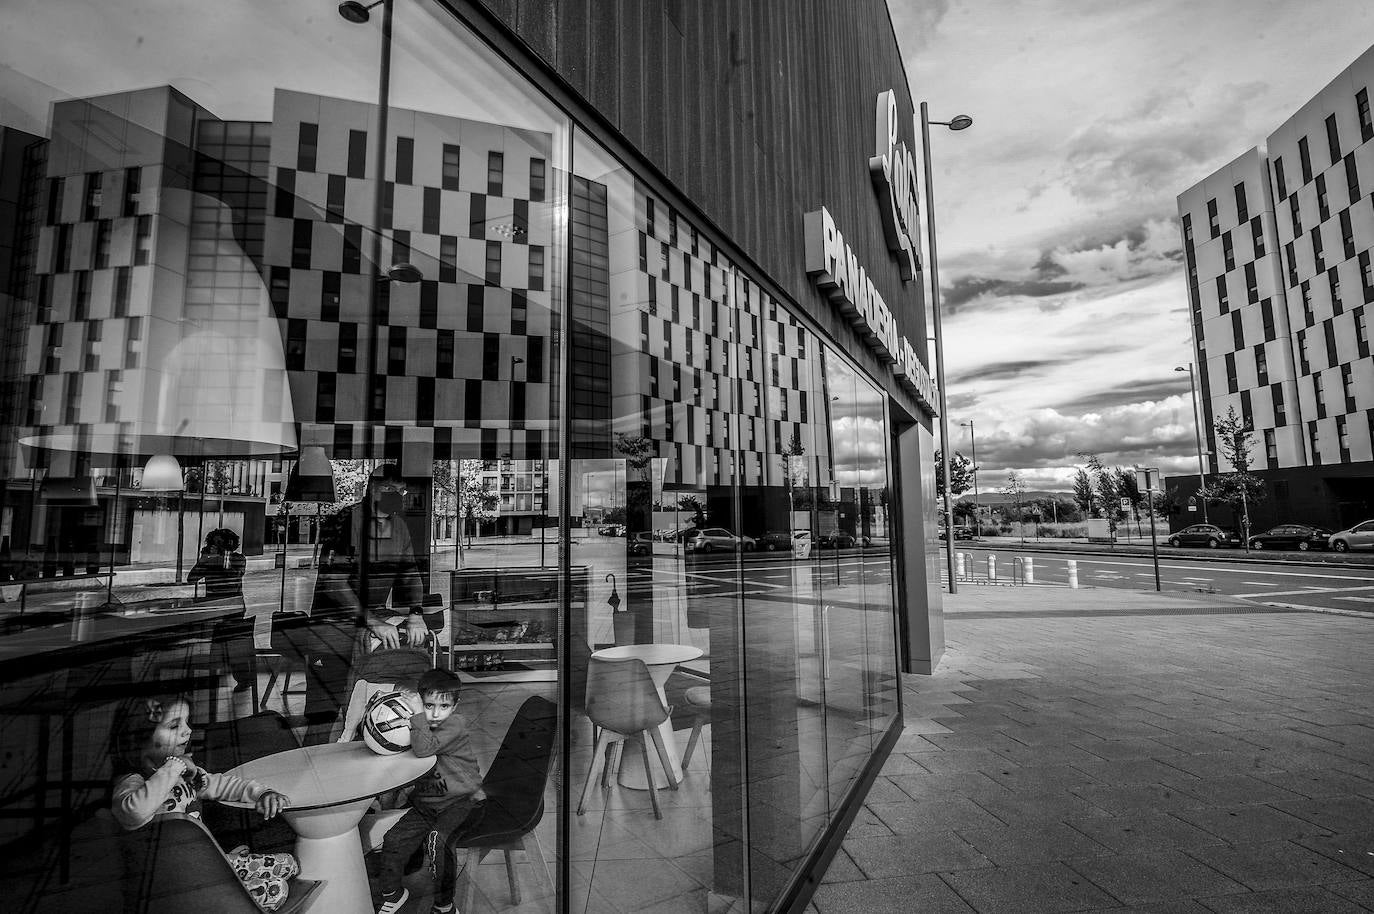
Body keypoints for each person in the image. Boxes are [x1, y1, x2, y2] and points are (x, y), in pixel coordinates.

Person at [108, 694, 298, 911]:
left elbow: (224, 784)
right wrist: (175, 766)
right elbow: (134, 813)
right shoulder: (132, 782)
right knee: (276, 889)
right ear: (138, 738)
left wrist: (263, 793)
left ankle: (231, 867)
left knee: (289, 864)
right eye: (174, 726)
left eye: (187, 722)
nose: (187, 731)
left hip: (209, 865)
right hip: (177, 881)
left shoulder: (185, 774)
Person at [301, 464, 429, 744]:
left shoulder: (400, 528)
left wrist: (416, 613)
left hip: (368, 641)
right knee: (324, 717)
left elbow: (410, 576)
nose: (395, 495)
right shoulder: (346, 521)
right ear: (371, 489)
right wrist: (374, 622)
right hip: (331, 635)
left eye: (400, 491)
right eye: (388, 490)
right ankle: (309, 777)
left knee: (368, 716)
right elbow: (334, 583)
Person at [374, 668, 482, 914]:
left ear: (454, 707)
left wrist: (418, 716)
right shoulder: (421, 723)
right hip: (428, 804)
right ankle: (393, 893)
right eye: (429, 705)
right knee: (393, 839)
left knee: (437, 841)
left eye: (443, 706)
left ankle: (445, 906)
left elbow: (423, 750)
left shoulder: (455, 725)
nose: (435, 713)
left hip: (463, 802)